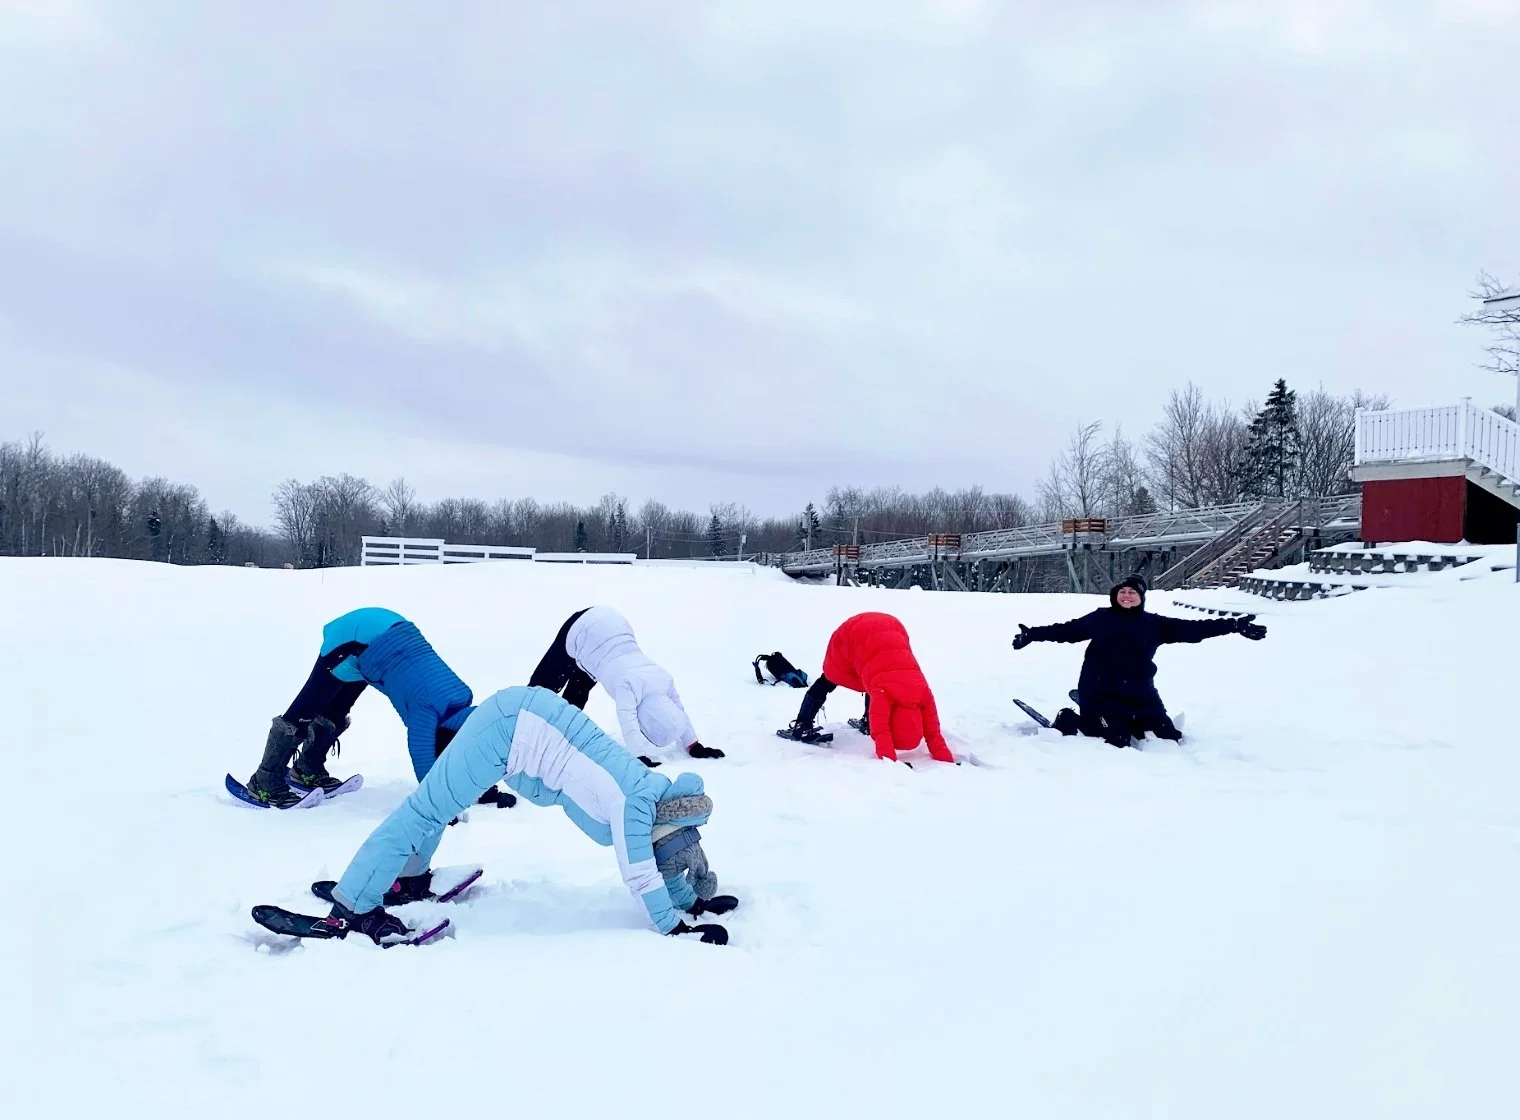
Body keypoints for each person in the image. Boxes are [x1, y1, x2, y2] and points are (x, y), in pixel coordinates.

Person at [317, 684, 738, 945]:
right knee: (427, 809)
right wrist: (672, 926)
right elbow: (642, 870)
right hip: (509, 729)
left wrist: (694, 903)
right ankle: (354, 902)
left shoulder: (649, 797)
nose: (673, 855)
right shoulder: (638, 801)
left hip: (518, 730)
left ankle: (405, 877)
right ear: (669, 824)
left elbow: (660, 861)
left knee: (435, 808)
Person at [241, 607, 513, 809]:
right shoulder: (427, 712)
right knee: (303, 711)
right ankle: (263, 781)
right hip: (353, 638)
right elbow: (424, 759)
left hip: (385, 641)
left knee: (335, 712)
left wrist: (484, 790)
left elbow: (467, 749)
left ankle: (308, 768)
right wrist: (438, 806)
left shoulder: (463, 698)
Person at [1011, 575, 1267, 748]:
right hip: (1101, 690)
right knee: (1119, 739)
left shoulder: (1154, 624)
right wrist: (1032, 634)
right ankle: (1070, 717)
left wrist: (1233, 625)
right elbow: (1066, 631)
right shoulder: (1100, 618)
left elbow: (1194, 629)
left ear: (1141, 597)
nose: (1126, 595)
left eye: (1132, 592)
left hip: (1140, 694)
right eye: (1121, 591)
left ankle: (1116, 716)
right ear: (1114, 595)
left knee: (1169, 736)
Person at [528, 605, 724, 763]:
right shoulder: (627, 686)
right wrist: (638, 755)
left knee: (579, 688)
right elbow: (627, 720)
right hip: (580, 628)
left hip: (613, 624)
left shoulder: (663, 678)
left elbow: (678, 710)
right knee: (542, 689)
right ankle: (525, 727)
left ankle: (559, 731)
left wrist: (693, 745)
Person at [777, 611, 955, 765]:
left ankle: (858, 720)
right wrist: (890, 759)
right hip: (851, 634)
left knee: (876, 680)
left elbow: (933, 733)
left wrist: (945, 758)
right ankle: (802, 724)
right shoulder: (886, 694)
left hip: (890, 626)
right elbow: (883, 733)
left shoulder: (923, 691)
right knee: (831, 677)